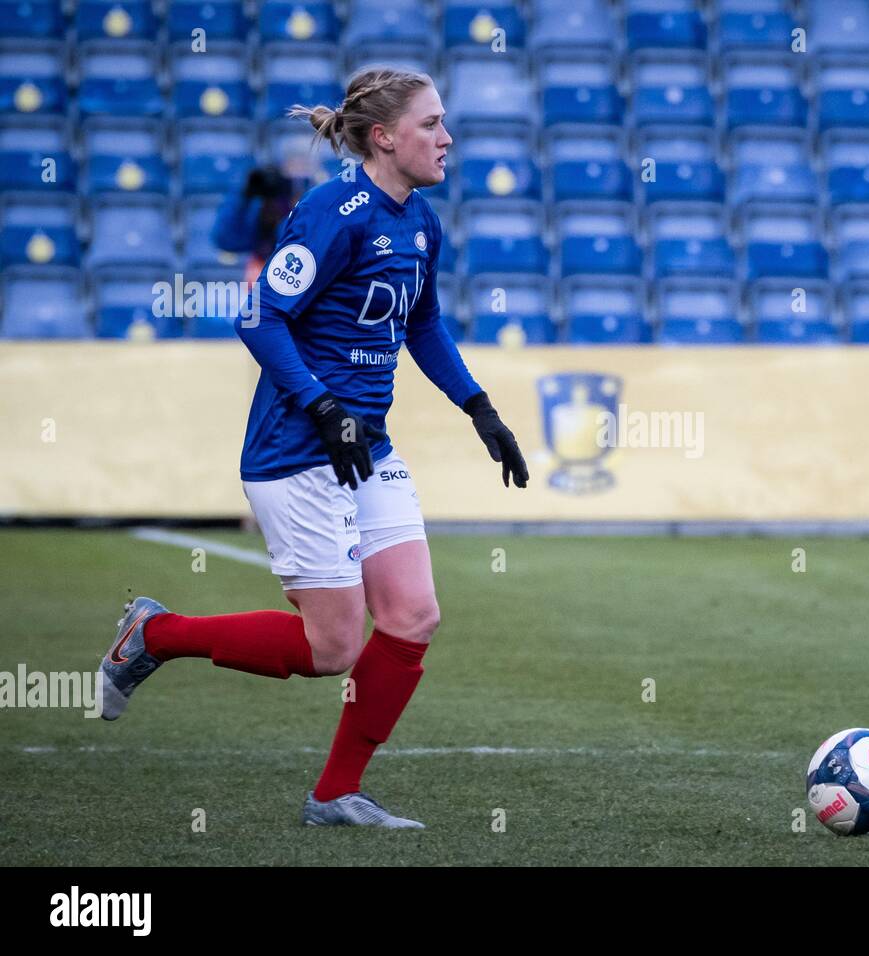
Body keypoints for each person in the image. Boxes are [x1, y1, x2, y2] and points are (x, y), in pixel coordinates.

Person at [97, 67, 529, 829]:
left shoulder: (422, 222)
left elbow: (422, 326)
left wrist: (480, 409)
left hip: (367, 448)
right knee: (331, 648)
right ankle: (155, 634)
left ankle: (334, 795)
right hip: (297, 448)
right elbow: (260, 319)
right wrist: (325, 407)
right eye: (431, 124)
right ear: (385, 136)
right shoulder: (334, 213)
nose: (447, 137)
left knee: (413, 615)